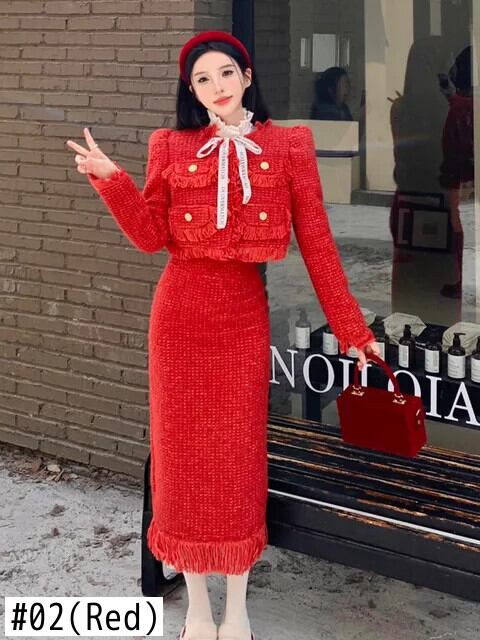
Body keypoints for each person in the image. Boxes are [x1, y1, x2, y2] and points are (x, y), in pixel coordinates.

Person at [66, 30, 380, 640]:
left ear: (247, 76)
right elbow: (150, 236)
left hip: (241, 318)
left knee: (237, 461)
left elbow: (317, 243)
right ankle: (199, 610)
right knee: (182, 464)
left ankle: (237, 610)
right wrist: (112, 179)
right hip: (179, 318)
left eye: (226, 73)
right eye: (203, 79)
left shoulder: (288, 144)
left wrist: (351, 327)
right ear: (192, 90)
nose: (217, 87)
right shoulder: (170, 145)